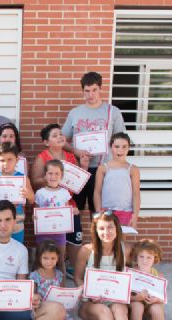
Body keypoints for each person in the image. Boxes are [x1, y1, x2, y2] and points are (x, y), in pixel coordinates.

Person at [74, 211, 150, 320]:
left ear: (117, 229)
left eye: (110, 227)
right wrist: (88, 292)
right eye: (101, 228)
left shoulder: (126, 249)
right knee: (105, 312)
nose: (106, 232)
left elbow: (133, 277)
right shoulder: (87, 250)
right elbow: (77, 277)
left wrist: (138, 294)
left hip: (116, 299)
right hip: (92, 302)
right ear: (95, 230)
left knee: (120, 311)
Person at [29, 240, 108, 320]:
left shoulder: (59, 275)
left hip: (59, 309)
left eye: (53, 258)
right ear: (39, 258)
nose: (49, 261)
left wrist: (73, 297)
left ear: (58, 259)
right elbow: (32, 295)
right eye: (45, 258)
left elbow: (63, 292)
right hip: (41, 311)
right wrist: (35, 296)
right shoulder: (34, 275)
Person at [62, 71, 126, 213]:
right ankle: (75, 236)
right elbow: (62, 141)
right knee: (74, 210)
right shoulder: (75, 113)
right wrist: (77, 151)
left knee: (99, 211)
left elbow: (121, 143)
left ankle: (97, 236)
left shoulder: (112, 112)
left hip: (103, 169)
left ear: (100, 89)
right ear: (82, 91)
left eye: (94, 90)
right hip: (79, 168)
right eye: (87, 91)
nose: (91, 94)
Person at [30, 123, 89, 276]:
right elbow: (34, 181)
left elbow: (77, 182)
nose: (60, 137)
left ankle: (73, 269)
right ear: (46, 142)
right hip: (49, 205)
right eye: (55, 135)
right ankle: (42, 274)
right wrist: (53, 178)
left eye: (60, 134)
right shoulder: (42, 157)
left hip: (68, 202)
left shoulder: (69, 156)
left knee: (74, 235)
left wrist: (84, 168)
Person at [0, 142, 34, 244]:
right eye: (2, 160)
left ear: (17, 160)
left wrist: (28, 195)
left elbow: (32, 200)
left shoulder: (23, 179)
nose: (6, 164)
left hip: (16, 222)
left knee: (15, 249)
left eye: (9, 160)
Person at [33, 159, 79, 279]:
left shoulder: (65, 193)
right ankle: (38, 285)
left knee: (60, 260)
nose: (53, 176)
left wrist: (73, 211)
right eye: (50, 173)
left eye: (57, 174)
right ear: (45, 175)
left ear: (61, 176)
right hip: (43, 232)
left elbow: (68, 209)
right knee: (40, 259)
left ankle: (62, 287)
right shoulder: (40, 193)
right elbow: (36, 211)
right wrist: (35, 217)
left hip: (59, 233)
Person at [129, 239, 172, 320]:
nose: (144, 260)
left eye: (149, 257)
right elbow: (124, 296)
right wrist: (136, 297)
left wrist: (155, 300)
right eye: (141, 256)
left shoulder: (158, 276)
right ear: (136, 257)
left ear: (155, 258)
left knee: (157, 308)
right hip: (134, 308)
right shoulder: (130, 273)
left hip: (150, 308)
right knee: (138, 306)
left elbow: (163, 299)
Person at [93, 132, 140, 228]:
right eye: (117, 146)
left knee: (121, 241)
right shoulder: (103, 168)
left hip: (126, 212)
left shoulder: (133, 169)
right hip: (106, 212)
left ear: (128, 148)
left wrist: (135, 215)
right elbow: (97, 192)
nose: (120, 150)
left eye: (124, 146)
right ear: (111, 147)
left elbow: (136, 193)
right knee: (106, 240)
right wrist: (98, 212)